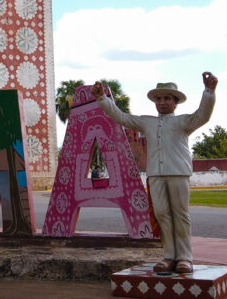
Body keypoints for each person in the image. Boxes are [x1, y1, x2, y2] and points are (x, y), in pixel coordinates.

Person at [91, 72, 217, 274]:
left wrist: (209, 91)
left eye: (167, 98)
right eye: (158, 98)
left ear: (176, 102)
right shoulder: (146, 121)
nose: (162, 102)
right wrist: (101, 98)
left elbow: (203, 114)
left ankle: (185, 258)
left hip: (178, 173)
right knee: (161, 214)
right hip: (155, 175)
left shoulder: (183, 122)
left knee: (181, 215)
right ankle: (169, 256)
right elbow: (121, 117)